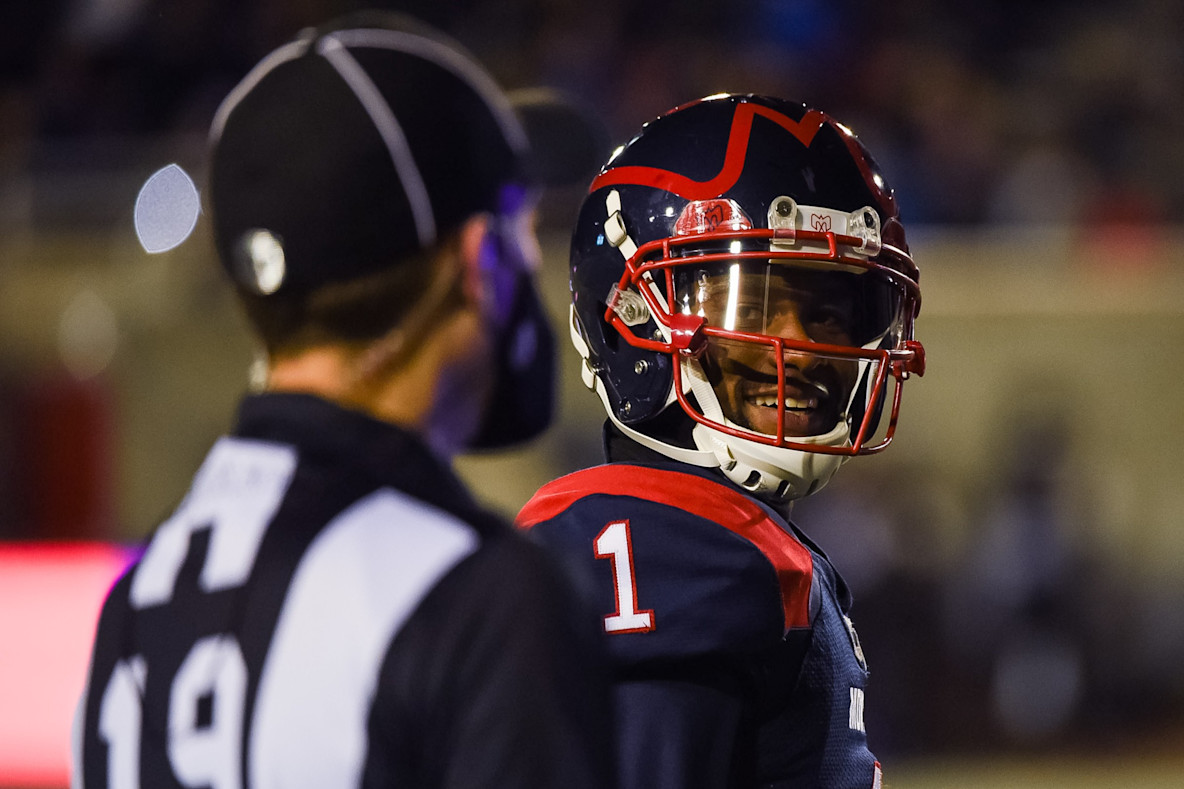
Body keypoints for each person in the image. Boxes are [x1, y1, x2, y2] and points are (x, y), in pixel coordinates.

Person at [72, 12, 614, 789]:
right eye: (519, 226)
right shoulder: (474, 595)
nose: (529, 257)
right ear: (474, 259)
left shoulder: (134, 606)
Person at [516, 93, 926, 788]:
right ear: (631, 315)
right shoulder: (671, 548)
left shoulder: (742, 543)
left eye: (829, 311)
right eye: (759, 304)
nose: (801, 345)